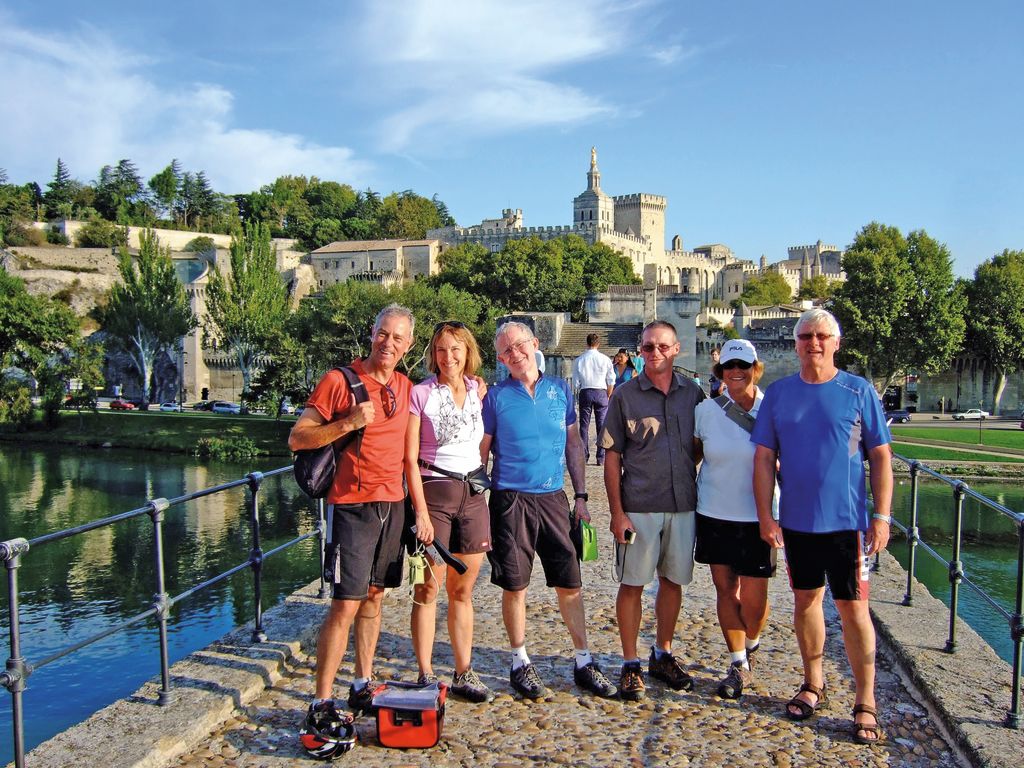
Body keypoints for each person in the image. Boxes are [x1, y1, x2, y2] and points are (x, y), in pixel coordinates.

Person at [751, 307, 893, 745]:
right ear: (795, 344)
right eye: (805, 336)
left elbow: (881, 456)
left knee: (854, 609)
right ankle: (813, 682)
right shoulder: (779, 394)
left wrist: (882, 516)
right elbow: (764, 459)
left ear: (836, 343)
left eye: (821, 336)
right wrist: (765, 516)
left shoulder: (857, 390)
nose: (813, 342)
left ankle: (865, 700)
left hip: (847, 523)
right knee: (806, 602)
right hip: (797, 521)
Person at [289, 304, 415, 737]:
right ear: (372, 333)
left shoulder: (404, 385)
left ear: (408, 345)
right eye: (383, 333)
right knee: (345, 603)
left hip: (392, 505)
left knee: (375, 597)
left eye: (397, 337)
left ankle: (361, 683)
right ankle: (321, 700)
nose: (388, 343)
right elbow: (297, 438)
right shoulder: (339, 380)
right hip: (352, 508)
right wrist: (347, 423)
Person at [481, 321, 617, 700]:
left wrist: (581, 497)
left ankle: (583, 659)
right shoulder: (494, 397)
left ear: (535, 344)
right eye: (506, 351)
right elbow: (481, 452)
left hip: (554, 497)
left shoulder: (561, 390)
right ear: (500, 358)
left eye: (520, 345)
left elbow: (574, 445)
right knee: (515, 585)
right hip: (511, 501)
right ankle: (519, 661)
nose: (515, 354)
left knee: (570, 582)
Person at [600, 320, 705, 701]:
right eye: (647, 347)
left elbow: (701, 446)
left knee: (673, 582)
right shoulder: (625, 395)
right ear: (639, 351)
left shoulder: (693, 393)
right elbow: (612, 457)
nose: (654, 353)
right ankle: (630, 662)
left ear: (676, 349)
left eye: (662, 346)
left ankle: (663, 653)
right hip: (640, 505)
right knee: (632, 585)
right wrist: (617, 513)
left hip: (682, 505)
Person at [404, 321, 494, 703]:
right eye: (441, 349)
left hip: (472, 496)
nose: (448, 356)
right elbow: (409, 459)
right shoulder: (421, 393)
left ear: (467, 351)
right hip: (434, 494)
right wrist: (420, 513)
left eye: (455, 348)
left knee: (463, 590)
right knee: (427, 587)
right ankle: (425, 673)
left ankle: (463, 672)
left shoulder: (477, 389)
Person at [693, 338, 776, 700]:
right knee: (726, 590)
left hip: (758, 516)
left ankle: (751, 641)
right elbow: (693, 455)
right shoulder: (706, 411)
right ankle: (738, 661)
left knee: (755, 603)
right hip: (714, 512)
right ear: (720, 371)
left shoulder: (772, 408)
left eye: (743, 365)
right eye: (729, 366)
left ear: (755, 368)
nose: (736, 372)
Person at [572, 333, 615, 466]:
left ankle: (584, 455)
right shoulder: (605, 359)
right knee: (601, 425)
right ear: (598, 344)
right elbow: (611, 379)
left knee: (584, 425)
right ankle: (600, 457)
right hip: (601, 391)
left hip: (586, 391)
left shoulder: (579, 360)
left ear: (587, 343)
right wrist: (608, 394)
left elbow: (576, 383)